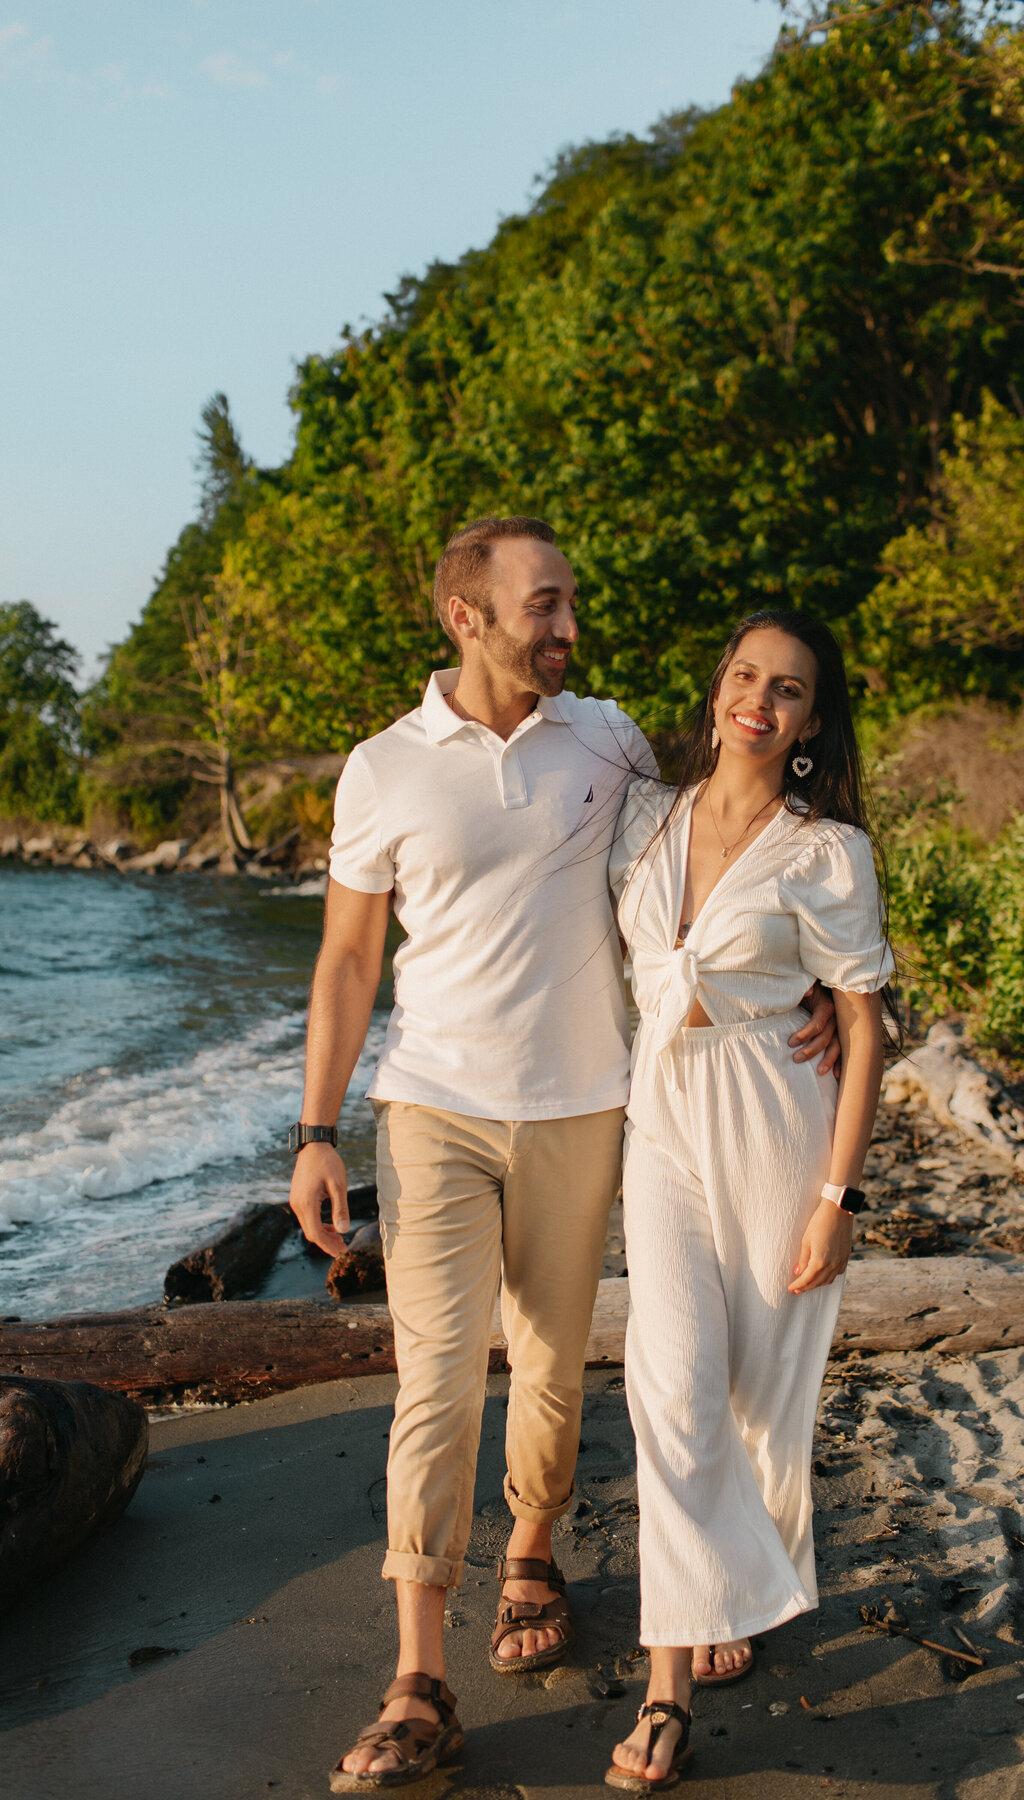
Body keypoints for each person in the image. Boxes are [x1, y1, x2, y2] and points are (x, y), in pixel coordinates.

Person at [286, 517, 840, 1792]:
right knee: (436, 1375)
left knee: (548, 1356)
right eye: (545, 606)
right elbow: (349, 961)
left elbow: (715, 854)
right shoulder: (380, 769)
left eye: (571, 603)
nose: (570, 627)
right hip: (430, 1105)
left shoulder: (608, 740)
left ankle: (530, 1551)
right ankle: (420, 1677)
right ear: (466, 617)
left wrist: (813, 987)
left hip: (588, 1106)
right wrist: (316, 1132)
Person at [605, 609, 894, 1793]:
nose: (757, 703)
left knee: (762, 1396)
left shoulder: (825, 853)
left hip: (775, 1117)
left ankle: (738, 1574)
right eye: (742, 676)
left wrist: (837, 1196)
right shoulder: (639, 814)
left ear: (811, 723)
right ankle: (667, 1693)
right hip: (658, 1120)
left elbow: (864, 1024)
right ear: (716, 687)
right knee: (669, 1387)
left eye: (786, 691)